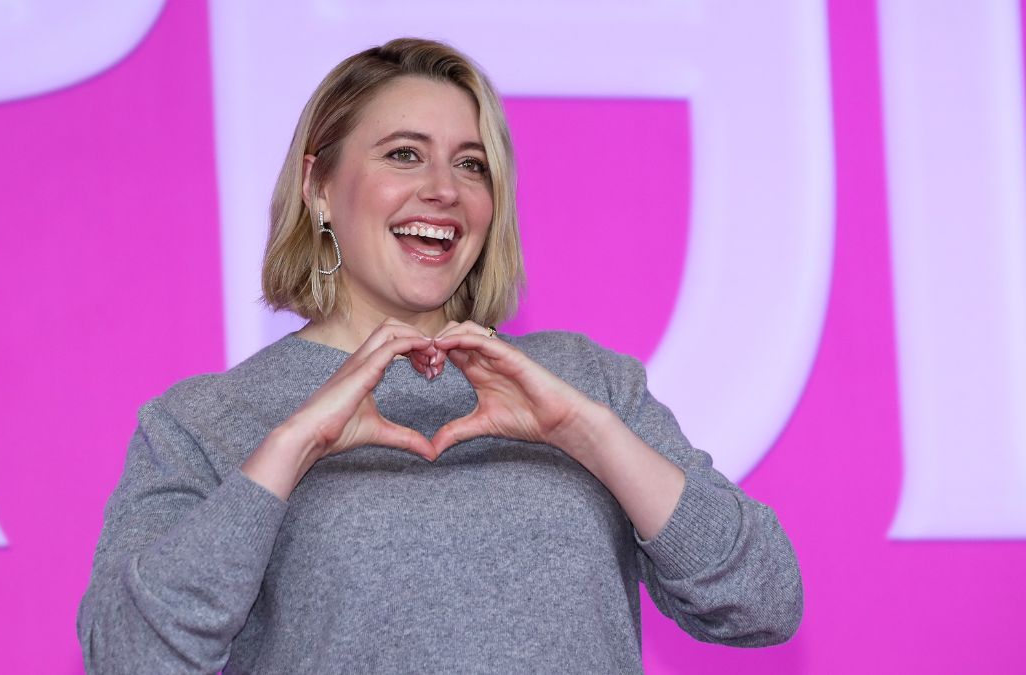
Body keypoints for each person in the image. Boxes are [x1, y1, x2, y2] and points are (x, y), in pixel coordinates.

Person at [78, 37, 802, 674]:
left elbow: (765, 600)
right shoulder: (206, 419)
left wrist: (589, 435)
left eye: (473, 165)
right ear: (318, 187)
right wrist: (290, 448)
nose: (444, 190)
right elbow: (128, 656)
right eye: (403, 154)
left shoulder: (586, 380)